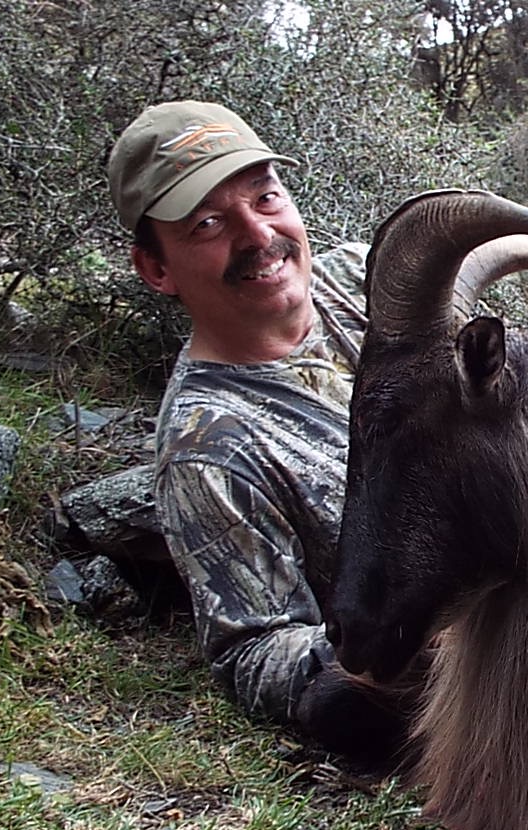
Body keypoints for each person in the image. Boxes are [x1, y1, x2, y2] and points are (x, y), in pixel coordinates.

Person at [107, 100, 410, 767]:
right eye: (208, 224)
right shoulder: (208, 448)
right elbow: (254, 650)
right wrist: (393, 640)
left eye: (265, 197)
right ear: (156, 268)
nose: (256, 235)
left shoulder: (371, 281)